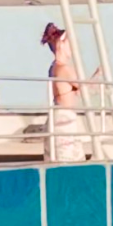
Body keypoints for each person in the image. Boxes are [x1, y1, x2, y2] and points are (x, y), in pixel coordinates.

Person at [42, 23, 97, 162]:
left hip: (60, 116)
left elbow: (76, 91)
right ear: (62, 45)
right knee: (68, 161)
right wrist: (98, 76)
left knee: (62, 159)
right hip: (64, 119)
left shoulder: (53, 67)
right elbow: (84, 89)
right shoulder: (64, 68)